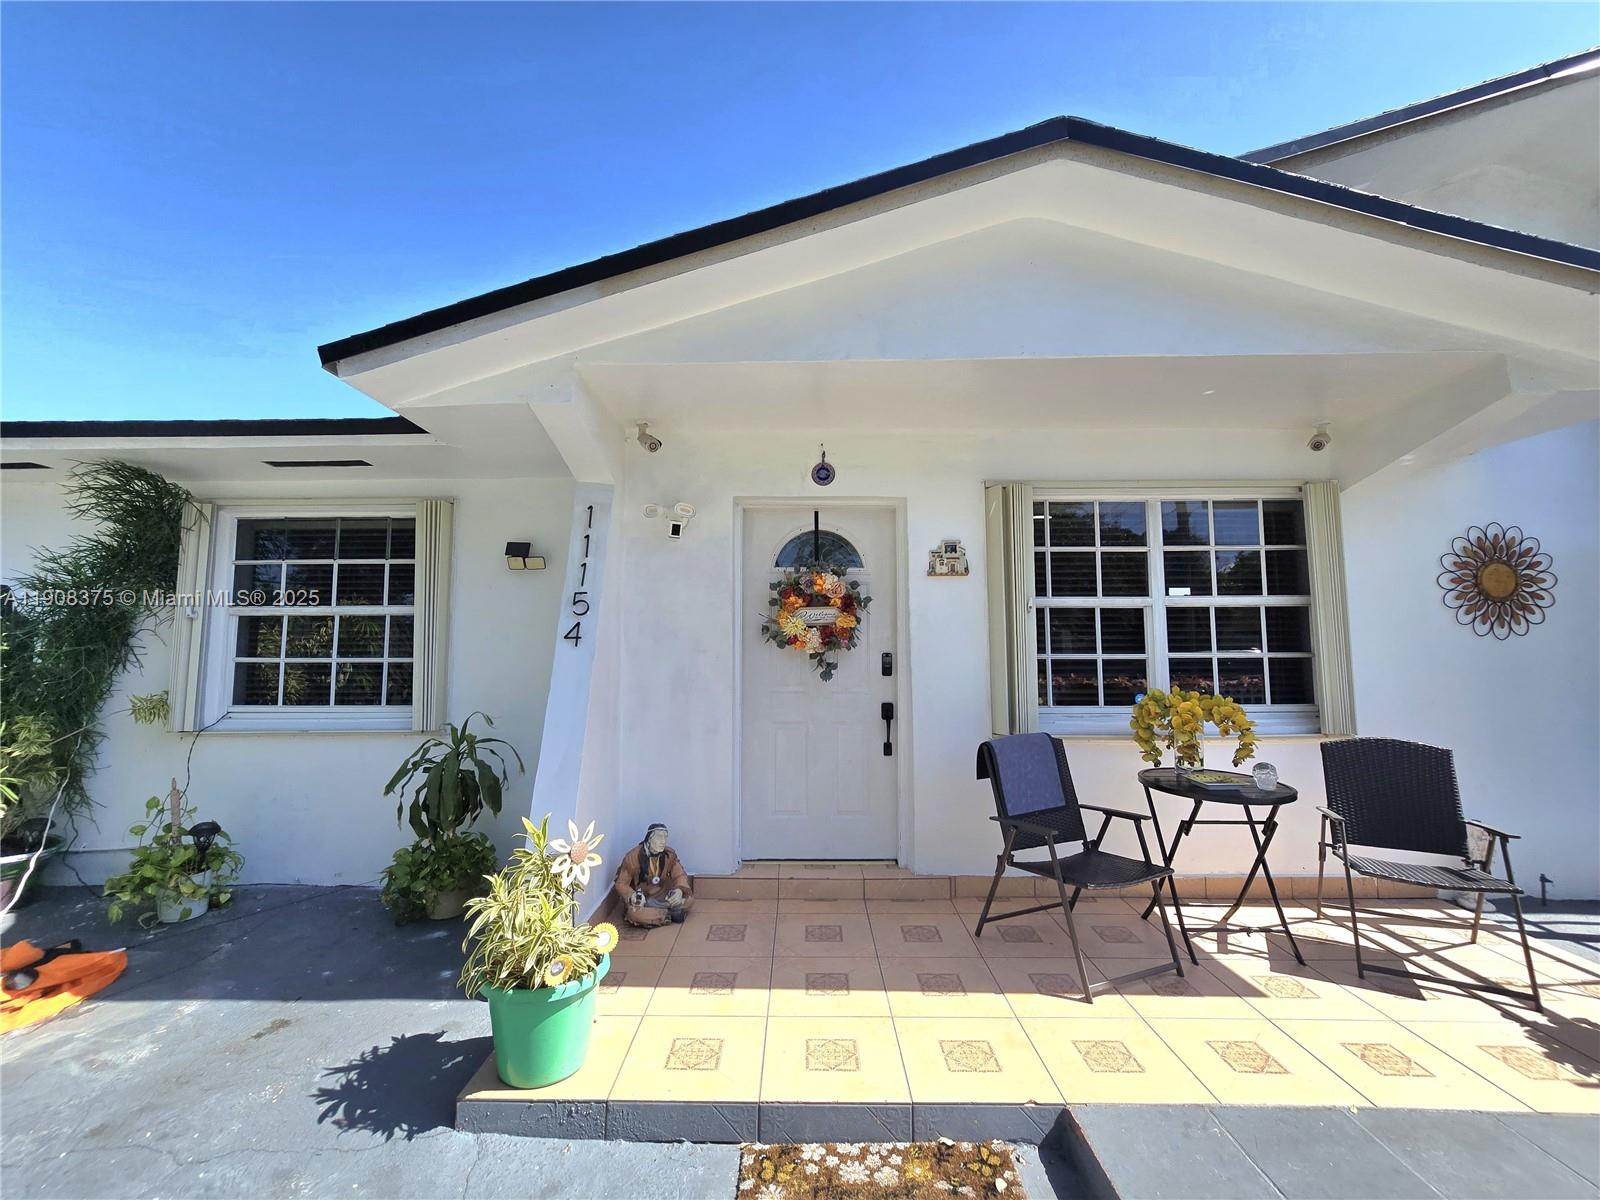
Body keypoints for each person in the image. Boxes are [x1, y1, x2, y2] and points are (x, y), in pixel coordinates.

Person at [611, 823, 693, 926]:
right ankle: (667, 914)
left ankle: (657, 914)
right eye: (659, 837)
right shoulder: (632, 857)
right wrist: (633, 895)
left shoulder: (669, 854)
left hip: (662, 894)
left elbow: (679, 874)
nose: (663, 841)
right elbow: (621, 883)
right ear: (649, 839)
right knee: (634, 913)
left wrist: (679, 890)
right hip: (643, 898)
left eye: (665, 837)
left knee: (689, 899)